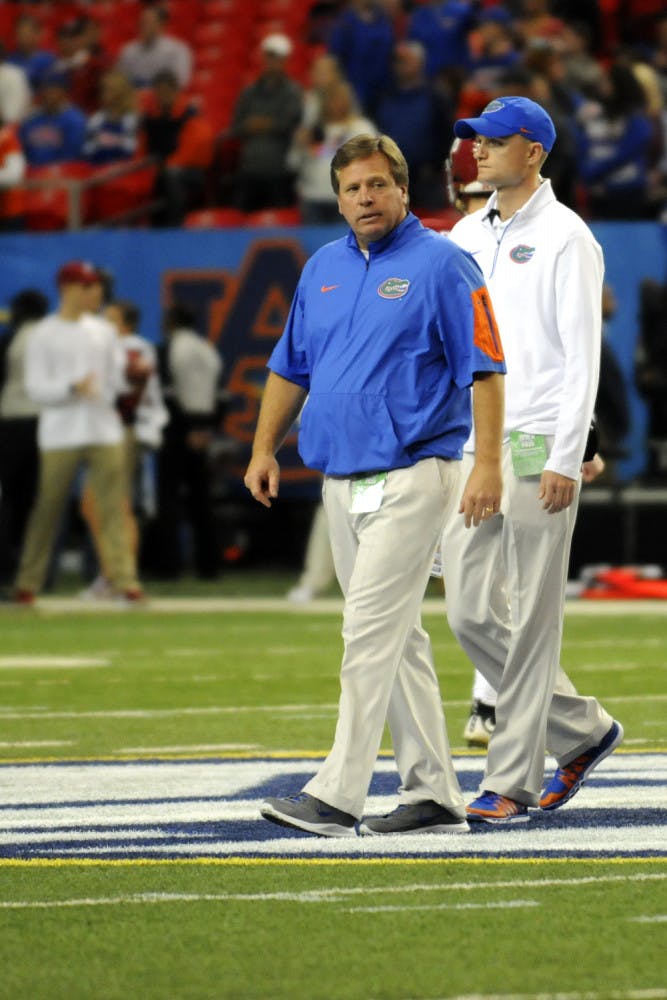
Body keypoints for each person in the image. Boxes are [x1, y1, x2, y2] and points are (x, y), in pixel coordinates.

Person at [244, 132, 506, 838]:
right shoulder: (322, 267)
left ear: (401, 190)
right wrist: (263, 446)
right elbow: (289, 365)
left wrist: (484, 464)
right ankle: (433, 793)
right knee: (398, 640)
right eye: (352, 188)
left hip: (415, 471)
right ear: (337, 199)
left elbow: (484, 366)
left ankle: (338, 792)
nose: (365, 197)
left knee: (365, 630)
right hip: (340, 478)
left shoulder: (444, 265)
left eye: (376, 185)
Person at [440, 96, 623, 824]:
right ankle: (580, 731)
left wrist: (566, 452)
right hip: (474, 445)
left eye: (492, 140)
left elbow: (581, 354)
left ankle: (509, 782)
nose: (476, 151)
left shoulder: (566, 237)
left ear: (534, 152)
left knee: (534, 616)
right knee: (466, 612)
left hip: (538, 438)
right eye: (472, 140)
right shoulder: (460, 234)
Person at [12, 261, 148, 605]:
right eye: (89, 287)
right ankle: (28, 581)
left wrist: (133, 379)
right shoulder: (44, 333)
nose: (97, 293)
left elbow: (116, 381)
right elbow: (36, 388)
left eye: (97, 286)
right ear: (68, 290)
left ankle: (125, 581)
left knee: (113, 508)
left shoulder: (102, 332)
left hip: (104, 429)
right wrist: (72, 387)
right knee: (48, 508)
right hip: (60, 433)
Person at [79, 297, 167, 600]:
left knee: (112, 504)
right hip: (115, 430)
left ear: (125, 324)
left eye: (111, 318)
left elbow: (130, 396)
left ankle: (116, 576)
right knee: (98, 504)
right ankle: (115, 574)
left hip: (124, 430)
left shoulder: (131, 347)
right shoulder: (119, 346)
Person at [153, 303, 223, 579]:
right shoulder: (207, 350)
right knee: (202, 500)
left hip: (177, 427)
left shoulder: (169, 348)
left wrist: (187, 428)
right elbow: (221, 394)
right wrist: (206, 429)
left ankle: (168, 566)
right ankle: (209, 566)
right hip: (203, 428)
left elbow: (167, 392)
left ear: (170, 321)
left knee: (168, 499)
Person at [0, 289, 48, 584]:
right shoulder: (50, 336)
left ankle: (6, 565)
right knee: (37, 500)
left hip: (11, 418)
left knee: (7, 497)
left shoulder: (11, 338)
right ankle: (36, 570)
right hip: (45, 422)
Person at [373, 40, 453, 210]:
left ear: (420, 63)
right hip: (392, 175)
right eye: (397, 61)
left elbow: (446, 134)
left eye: (405, 60)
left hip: (427, 177)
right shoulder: (383, 96)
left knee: (431, 225)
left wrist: (435, 165)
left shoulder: (435, 96)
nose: (400, 66)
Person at [230, 34, 303, 213]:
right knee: (242, 220)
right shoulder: (249, 92)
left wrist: (260, 124)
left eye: (277, 58)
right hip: (250, 166)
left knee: (279, 219)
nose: (272, 63)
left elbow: (290, 124)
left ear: (285, 61)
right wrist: (256, 125)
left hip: (279, 168)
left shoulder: (292, 92)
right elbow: (237, 126)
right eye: (269, 57)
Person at [288, 78, 377, 224]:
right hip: (313, 199)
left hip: (349, 199)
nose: (336, 103)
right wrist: (299, 145)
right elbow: (293, 163)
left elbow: (373, 162)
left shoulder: (361, 128)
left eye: (340, 98)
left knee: (349, 245)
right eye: (332, 98)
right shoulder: (312, 131)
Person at [140, 69, 214, 226]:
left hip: (189, 170)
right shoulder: (149, 117)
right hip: (157, 168)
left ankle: (175, 225)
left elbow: (192, 150)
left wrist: (168, 165)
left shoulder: (189, 114)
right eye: (158, 92)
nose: (162, 96)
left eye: (166, 91)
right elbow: (142, 147)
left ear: (176, 91)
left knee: (172, 176)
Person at [19, 70, 86, 166]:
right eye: (45, 89)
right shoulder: (31, 119)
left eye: (52, 90)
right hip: (31, 173)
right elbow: (22, 151)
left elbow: (71, 157)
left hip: (61, 174)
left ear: (64, 92)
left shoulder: (75, 120)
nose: (47, 94)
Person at [116, 6, 192, 90]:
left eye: (149, 22)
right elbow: (120, 80)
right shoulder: (129, 50)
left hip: (162, 99)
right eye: (142, 22)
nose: (144, 26)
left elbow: (180, 82)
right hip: (134, 99)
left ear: (161, 24)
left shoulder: (177, 50)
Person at [83, 69, 141, 166]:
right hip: (97, 170)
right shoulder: (96, 119)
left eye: (109, 89)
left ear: (121, 93)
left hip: (125, 172)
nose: (104, 93)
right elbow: (87, 149)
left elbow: (131, 151)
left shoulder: (132, 120)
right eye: (103, 89)